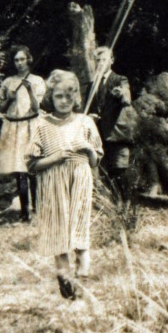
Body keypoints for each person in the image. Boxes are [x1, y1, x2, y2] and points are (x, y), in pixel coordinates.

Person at [26, 70, 103, 300]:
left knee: (80, 236)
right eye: (59, 96)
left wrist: (87, 148)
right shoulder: (42, 125)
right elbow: (31, 164)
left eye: (69, 96)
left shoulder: (85, 121)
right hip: (53, 184)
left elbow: (95, 160)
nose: (64, 101)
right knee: (59, 237)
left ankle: (82, 286)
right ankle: (67, 289)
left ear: (76, 97)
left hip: (79, 182)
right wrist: (56, 157)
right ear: (51, 97)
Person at [84, 47, 135, 219]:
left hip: (117, 134)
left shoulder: (120, 79)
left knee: (120, 170)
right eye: (97, 60)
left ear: (111, 60)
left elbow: (127, 99)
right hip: (98, 135)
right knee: (105, 173)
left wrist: (121, 95)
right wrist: (91, 117)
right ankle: (112, 208)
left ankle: (127, 206)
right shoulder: (92, 85)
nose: (100, 63)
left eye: (104, 59)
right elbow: (88, 109)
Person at [0, 45, 46, 222]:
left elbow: (37, 107)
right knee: (20, 171)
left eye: (22, 59)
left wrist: (30, 90)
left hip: (30, 126)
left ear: (29, 60)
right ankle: (25, 212)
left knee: (32, 168)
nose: (19, 63)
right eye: (16, 60)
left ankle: (37, 210)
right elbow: (1, 108)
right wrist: (9, 99)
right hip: (14, 128)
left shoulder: (37, 80)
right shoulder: (8, 82)